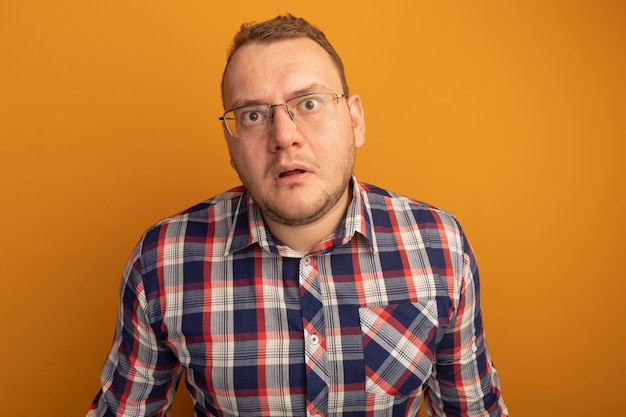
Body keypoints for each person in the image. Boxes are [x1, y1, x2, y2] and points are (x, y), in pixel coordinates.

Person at [88, 14, 508, 417]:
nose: (284, 136)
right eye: (253, 114)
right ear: (230, 144)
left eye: (308, 103)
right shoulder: (163, 261)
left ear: (355, 120)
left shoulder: (440, 247)